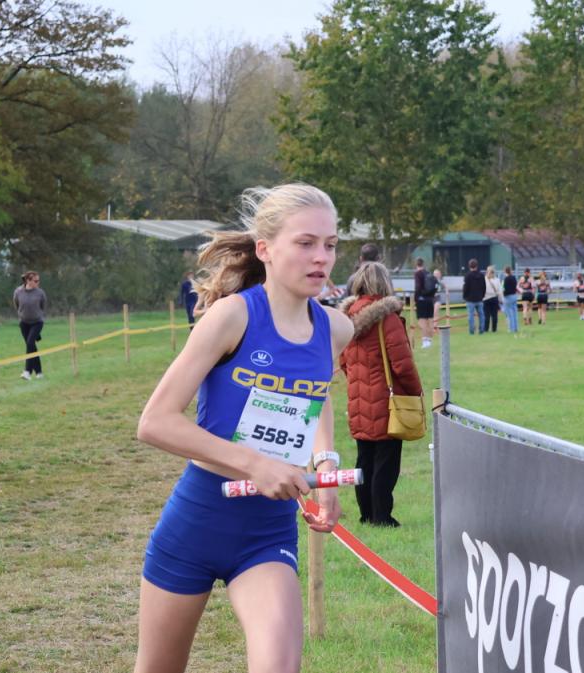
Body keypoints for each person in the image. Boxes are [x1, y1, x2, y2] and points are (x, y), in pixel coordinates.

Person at [133, 184, 354, 673]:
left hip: (267, 533)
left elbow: (316, 395)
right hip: (197, 520)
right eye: (305, 243)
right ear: (265, 249)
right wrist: (256, 463)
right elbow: (155, 422)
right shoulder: (233, 316)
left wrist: (325, 464)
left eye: (330, 244)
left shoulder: (336, 328)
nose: (322, 257)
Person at [338, 262, 422, 527]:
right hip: (386, 401)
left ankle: (366, 514)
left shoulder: (346, 319)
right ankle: (382, 516)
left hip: (358, 400)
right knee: (386, 462)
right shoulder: (388, 319)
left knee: (364, 459)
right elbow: (402, 365)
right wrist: (416, 392)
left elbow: (343, 361)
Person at [13, 271, 46, 380]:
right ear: (28, 281)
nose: (38, 282)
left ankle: (27, 371)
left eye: (38, 281)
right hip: (24, 323)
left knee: (30, 343)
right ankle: (39, 373)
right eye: (36, 281)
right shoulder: (18, 292)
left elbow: (43, 306)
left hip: (37, 322)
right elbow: (16, 304)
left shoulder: (40, 293)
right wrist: (22, 315)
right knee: (31, 346)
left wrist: (37, 315)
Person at [412, 258, 436, 349]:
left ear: (416, 264)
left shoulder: (417, 274)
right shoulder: (428, 273)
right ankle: (429, 340)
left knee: (422, 321)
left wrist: (415, 299)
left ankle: (425, 341)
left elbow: (418, 287)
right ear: (423, 264)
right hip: (430, 300)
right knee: (430, 320)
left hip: (421, 300)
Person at [462, 259, 486, 335]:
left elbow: (465, 287)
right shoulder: (481, 275)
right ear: (477, 266)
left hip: (470, 299)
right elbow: (484, 287)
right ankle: (481, 330)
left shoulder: (467, 275)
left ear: (469, 266)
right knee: (481, 315)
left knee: (471, 316)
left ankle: (472, 331)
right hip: (479, 298)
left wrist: (464, 296)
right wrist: (482, 295)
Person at [483, 265, 502, 333]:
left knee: (486, 315)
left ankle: (486, 329)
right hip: (494, 298)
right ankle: (494, 329)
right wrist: (500, 299)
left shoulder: (484, 279)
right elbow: (499, 291)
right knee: (494, 315)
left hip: (485, 299)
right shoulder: (497, 280)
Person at [502, 266, 519, 334]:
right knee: (515, 313)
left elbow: (505, 289)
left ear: (505, 271)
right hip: (514, 296)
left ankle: (511, 329)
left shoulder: (506, 279)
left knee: (509, 314)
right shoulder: (514, 277)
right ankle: (516, 328)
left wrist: (503, 294)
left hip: (508, 297)